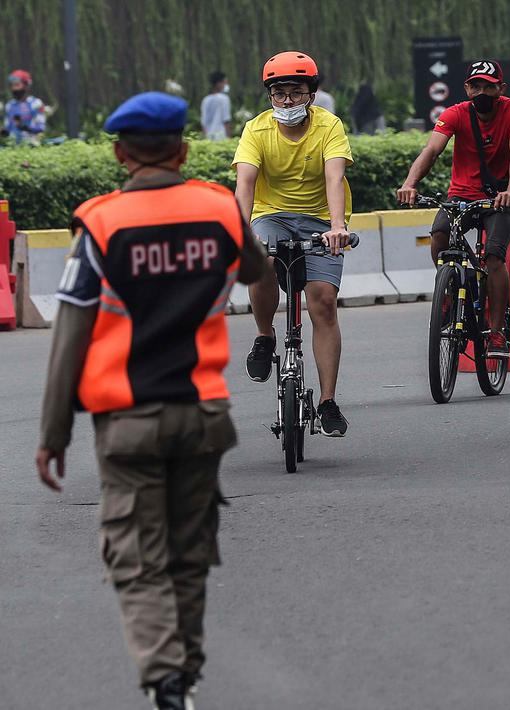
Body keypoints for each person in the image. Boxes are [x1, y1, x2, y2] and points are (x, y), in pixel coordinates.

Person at [35, 91, 268, 710]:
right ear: (185, 149)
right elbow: (255, 270)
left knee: (138, 557)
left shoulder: (100, 222)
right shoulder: (219, 208)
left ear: (118, 153)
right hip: (204, 415)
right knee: (190, 553)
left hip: (128, 421)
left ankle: (165, 678)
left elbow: (70, 336)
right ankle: (184, 675)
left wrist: (54, 433)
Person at [233, 50, 355, 435]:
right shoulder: (256, 129)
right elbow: (245, 185)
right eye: (279, 93)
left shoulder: (329, 126)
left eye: (296, 92)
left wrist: (337, 226)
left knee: (322, 301)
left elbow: (334, 178)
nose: (287, 101)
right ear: (270, 96)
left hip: (321, 220)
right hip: (272, 216)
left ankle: (328, 401)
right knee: (259, 260)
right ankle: (265, 336)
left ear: (311, 95)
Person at [396, 60, 510, 358]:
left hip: (500, 199)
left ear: (501, 89)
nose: (481, 91)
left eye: (488, 86)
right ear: (467, 88)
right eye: (476, 86)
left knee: (494, 258)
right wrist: (410, 184)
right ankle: (448, 292)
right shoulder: (455, 114)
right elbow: (431, 150)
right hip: (461, 196)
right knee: (440, 234)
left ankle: (496, 332)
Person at [4, 69, 46, 144]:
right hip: (12, 148)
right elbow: (7, 131)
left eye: (17, 85)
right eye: (12, 85)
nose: (14, 88)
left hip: (32, 146)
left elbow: (41, 128)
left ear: (26, 85)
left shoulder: (36, 103)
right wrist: (3, 131)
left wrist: (25, 127)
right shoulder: (9, 106)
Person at [200, 70, 231, 140]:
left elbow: (203, 122)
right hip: (221, 136)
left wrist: (205, 138)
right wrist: (229, 138)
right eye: (224, 83)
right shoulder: (224, 99)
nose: (226, 85)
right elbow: (226, 120)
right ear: (218, 83)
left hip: (208, 137)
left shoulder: (205, 100)